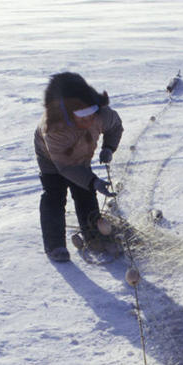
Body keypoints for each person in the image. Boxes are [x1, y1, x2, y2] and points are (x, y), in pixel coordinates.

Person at [34, 72, 123, 262]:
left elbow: (115, 126)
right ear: (68, 115)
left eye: (92, 115)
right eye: (83, 118)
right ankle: (55, 244)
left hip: (81, 155)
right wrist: (92, 181)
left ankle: (93, 235)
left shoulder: (101, 115)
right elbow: (65, 167)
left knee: (85, 192)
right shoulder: (53, 128)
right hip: (52, 158)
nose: (89, 121)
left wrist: (108, 147)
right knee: (54, 194)